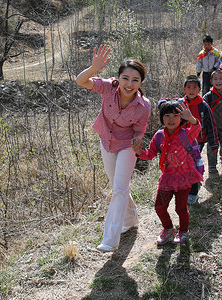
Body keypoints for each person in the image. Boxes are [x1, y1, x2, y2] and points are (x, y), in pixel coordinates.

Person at [75, 45, 151, 252]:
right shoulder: (108, 87)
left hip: (127, 145)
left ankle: (110, 239)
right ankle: (131, 217)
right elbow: (80, 81)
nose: (129, 84)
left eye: (135, 80)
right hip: (107, 142)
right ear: (118, 78)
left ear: (141, 83)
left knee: (119, 188)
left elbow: (139, 130)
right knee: (118, 184)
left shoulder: (144, 105)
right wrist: (93, 68)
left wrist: (137, 140)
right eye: (125, 78)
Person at [132, 101, 202, 244]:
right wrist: (138, 151)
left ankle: (183, 231)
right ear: (162, 118)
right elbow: (149, 154)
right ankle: (168, 228)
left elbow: (197, 128)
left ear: (181, 117)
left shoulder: (185, 134)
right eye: (167, 115)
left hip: (184, 178)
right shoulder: (159, 136)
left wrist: (191, 118)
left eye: (175, 115)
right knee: (159, 206)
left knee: (181, 209)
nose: (171, 119)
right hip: (167, 178)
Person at [182, 75, 218, 204]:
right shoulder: (180, 104)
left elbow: (211, 125)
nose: (191, 90)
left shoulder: (203, 106)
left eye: (194, 87)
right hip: (182, 142)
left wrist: (214, 144)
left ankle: (193, 193)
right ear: (184, 88)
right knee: (185, 166)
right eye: (189, 87)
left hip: (198, 141)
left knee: (192, 165)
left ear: (199, 89)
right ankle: (188, 187)